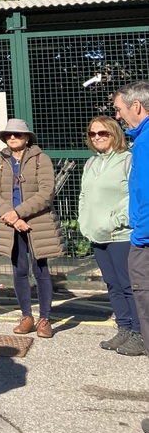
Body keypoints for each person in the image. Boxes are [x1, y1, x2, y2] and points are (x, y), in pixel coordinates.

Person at [0, 119, 59, 338]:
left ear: (27, 138)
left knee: (40, 270)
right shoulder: (0, 161)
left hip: (37, 221)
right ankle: (26, 316)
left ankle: (44, 319)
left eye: (17, 134)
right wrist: (11, 217)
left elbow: (46, 193)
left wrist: (18, 213)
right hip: (11, 224)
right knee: (19, 270)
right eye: (8, 135)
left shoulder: (41, 159)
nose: (12, 138)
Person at [78, 115, 143, 355]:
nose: (97, 138)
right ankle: (124, 328)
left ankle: (139, 332)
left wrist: (114, 222)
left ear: (114, 134)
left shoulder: (128, 160)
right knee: (112, 285)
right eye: (92, 133)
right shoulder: (91, 163)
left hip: (120, 236)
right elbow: (84, 195)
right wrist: (84, 222)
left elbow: (133, 196)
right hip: (97, 235)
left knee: (129, 285)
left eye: (102, 133)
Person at [111, 84, 149, 433]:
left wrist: (141, 235)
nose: (117, 115)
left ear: (136, 106)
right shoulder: (142, 139)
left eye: (119, 109)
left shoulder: (146, 141)